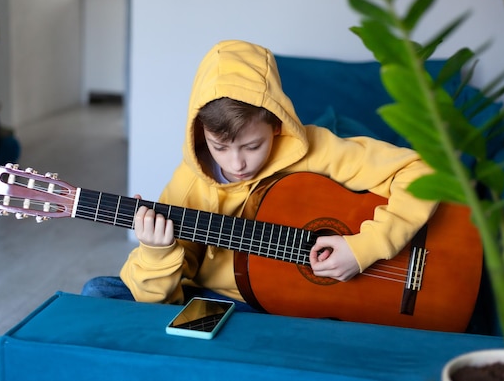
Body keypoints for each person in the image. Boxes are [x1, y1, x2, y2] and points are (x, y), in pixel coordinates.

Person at [81, 39, 438, 312]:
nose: (236, 164)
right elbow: (158, 300)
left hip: (308, 303)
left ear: (276, 124)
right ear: (200, 132)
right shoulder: (190, 183)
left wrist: (365, 248)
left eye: (252, 146)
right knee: (98, 293)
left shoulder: (316, 149)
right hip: (226, 303)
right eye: (220, 148)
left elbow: (422, 171)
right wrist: (157, 252)